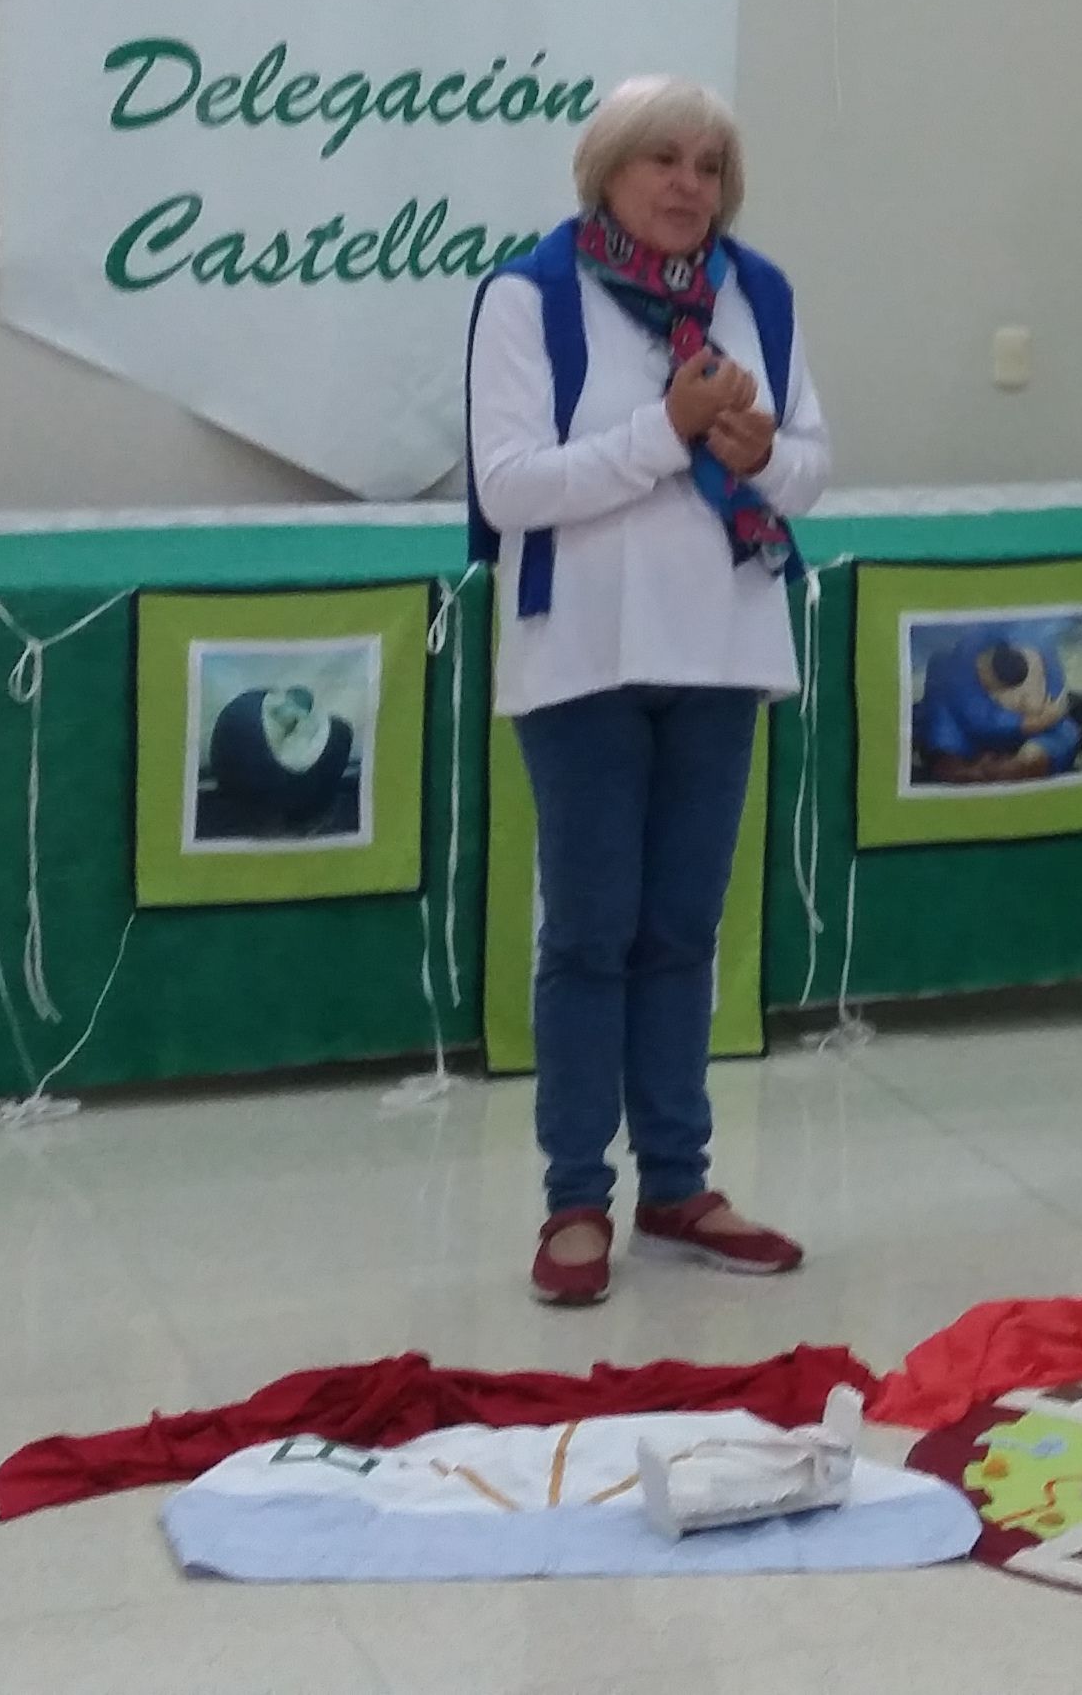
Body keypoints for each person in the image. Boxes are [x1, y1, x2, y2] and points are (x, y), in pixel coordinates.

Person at [463, 77, 827, 1306]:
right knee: (587, 934)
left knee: (683, 933)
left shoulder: (757, 293)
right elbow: (510, 487)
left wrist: (761, 453)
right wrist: (669, 433)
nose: (687, 185)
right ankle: (576, 1197)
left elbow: (810, 464)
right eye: (660, 160)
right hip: (582, 657)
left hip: (720, 649)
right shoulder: (528, 295)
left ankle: (677, 1184)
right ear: (603, 173)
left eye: (708, 166)